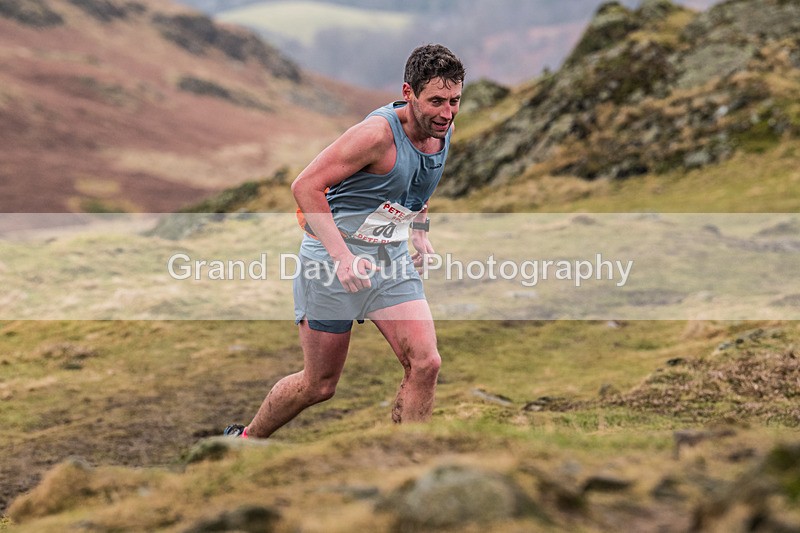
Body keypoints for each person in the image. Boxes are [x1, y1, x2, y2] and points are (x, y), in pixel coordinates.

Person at [225, 44, 465, 439]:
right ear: (408, 93)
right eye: (436, 101)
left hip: (388, 259)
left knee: (426, 363)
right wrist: (342, 258)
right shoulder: (375, 136)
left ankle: (409, 459)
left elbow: (416, 188)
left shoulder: (444, 131)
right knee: (319, 385)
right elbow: (305, 187)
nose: (446, 112)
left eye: (454, 101)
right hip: (331, 260)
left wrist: (420, 235)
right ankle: (245, 440)